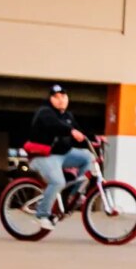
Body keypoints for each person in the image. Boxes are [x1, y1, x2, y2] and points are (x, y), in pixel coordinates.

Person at [26, 84, 92, 232]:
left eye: (63, 96)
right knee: (58, 181)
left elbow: (80, 132)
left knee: (88, 157)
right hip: (43, 156)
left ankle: (73, 196)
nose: (60, 100)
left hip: (63, 155)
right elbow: (54, 125)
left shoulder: (68, 116)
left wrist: (95, 138)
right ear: (50, 99)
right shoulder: (45, 112)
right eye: (56, 97)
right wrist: (71, 131)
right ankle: (42, 215)